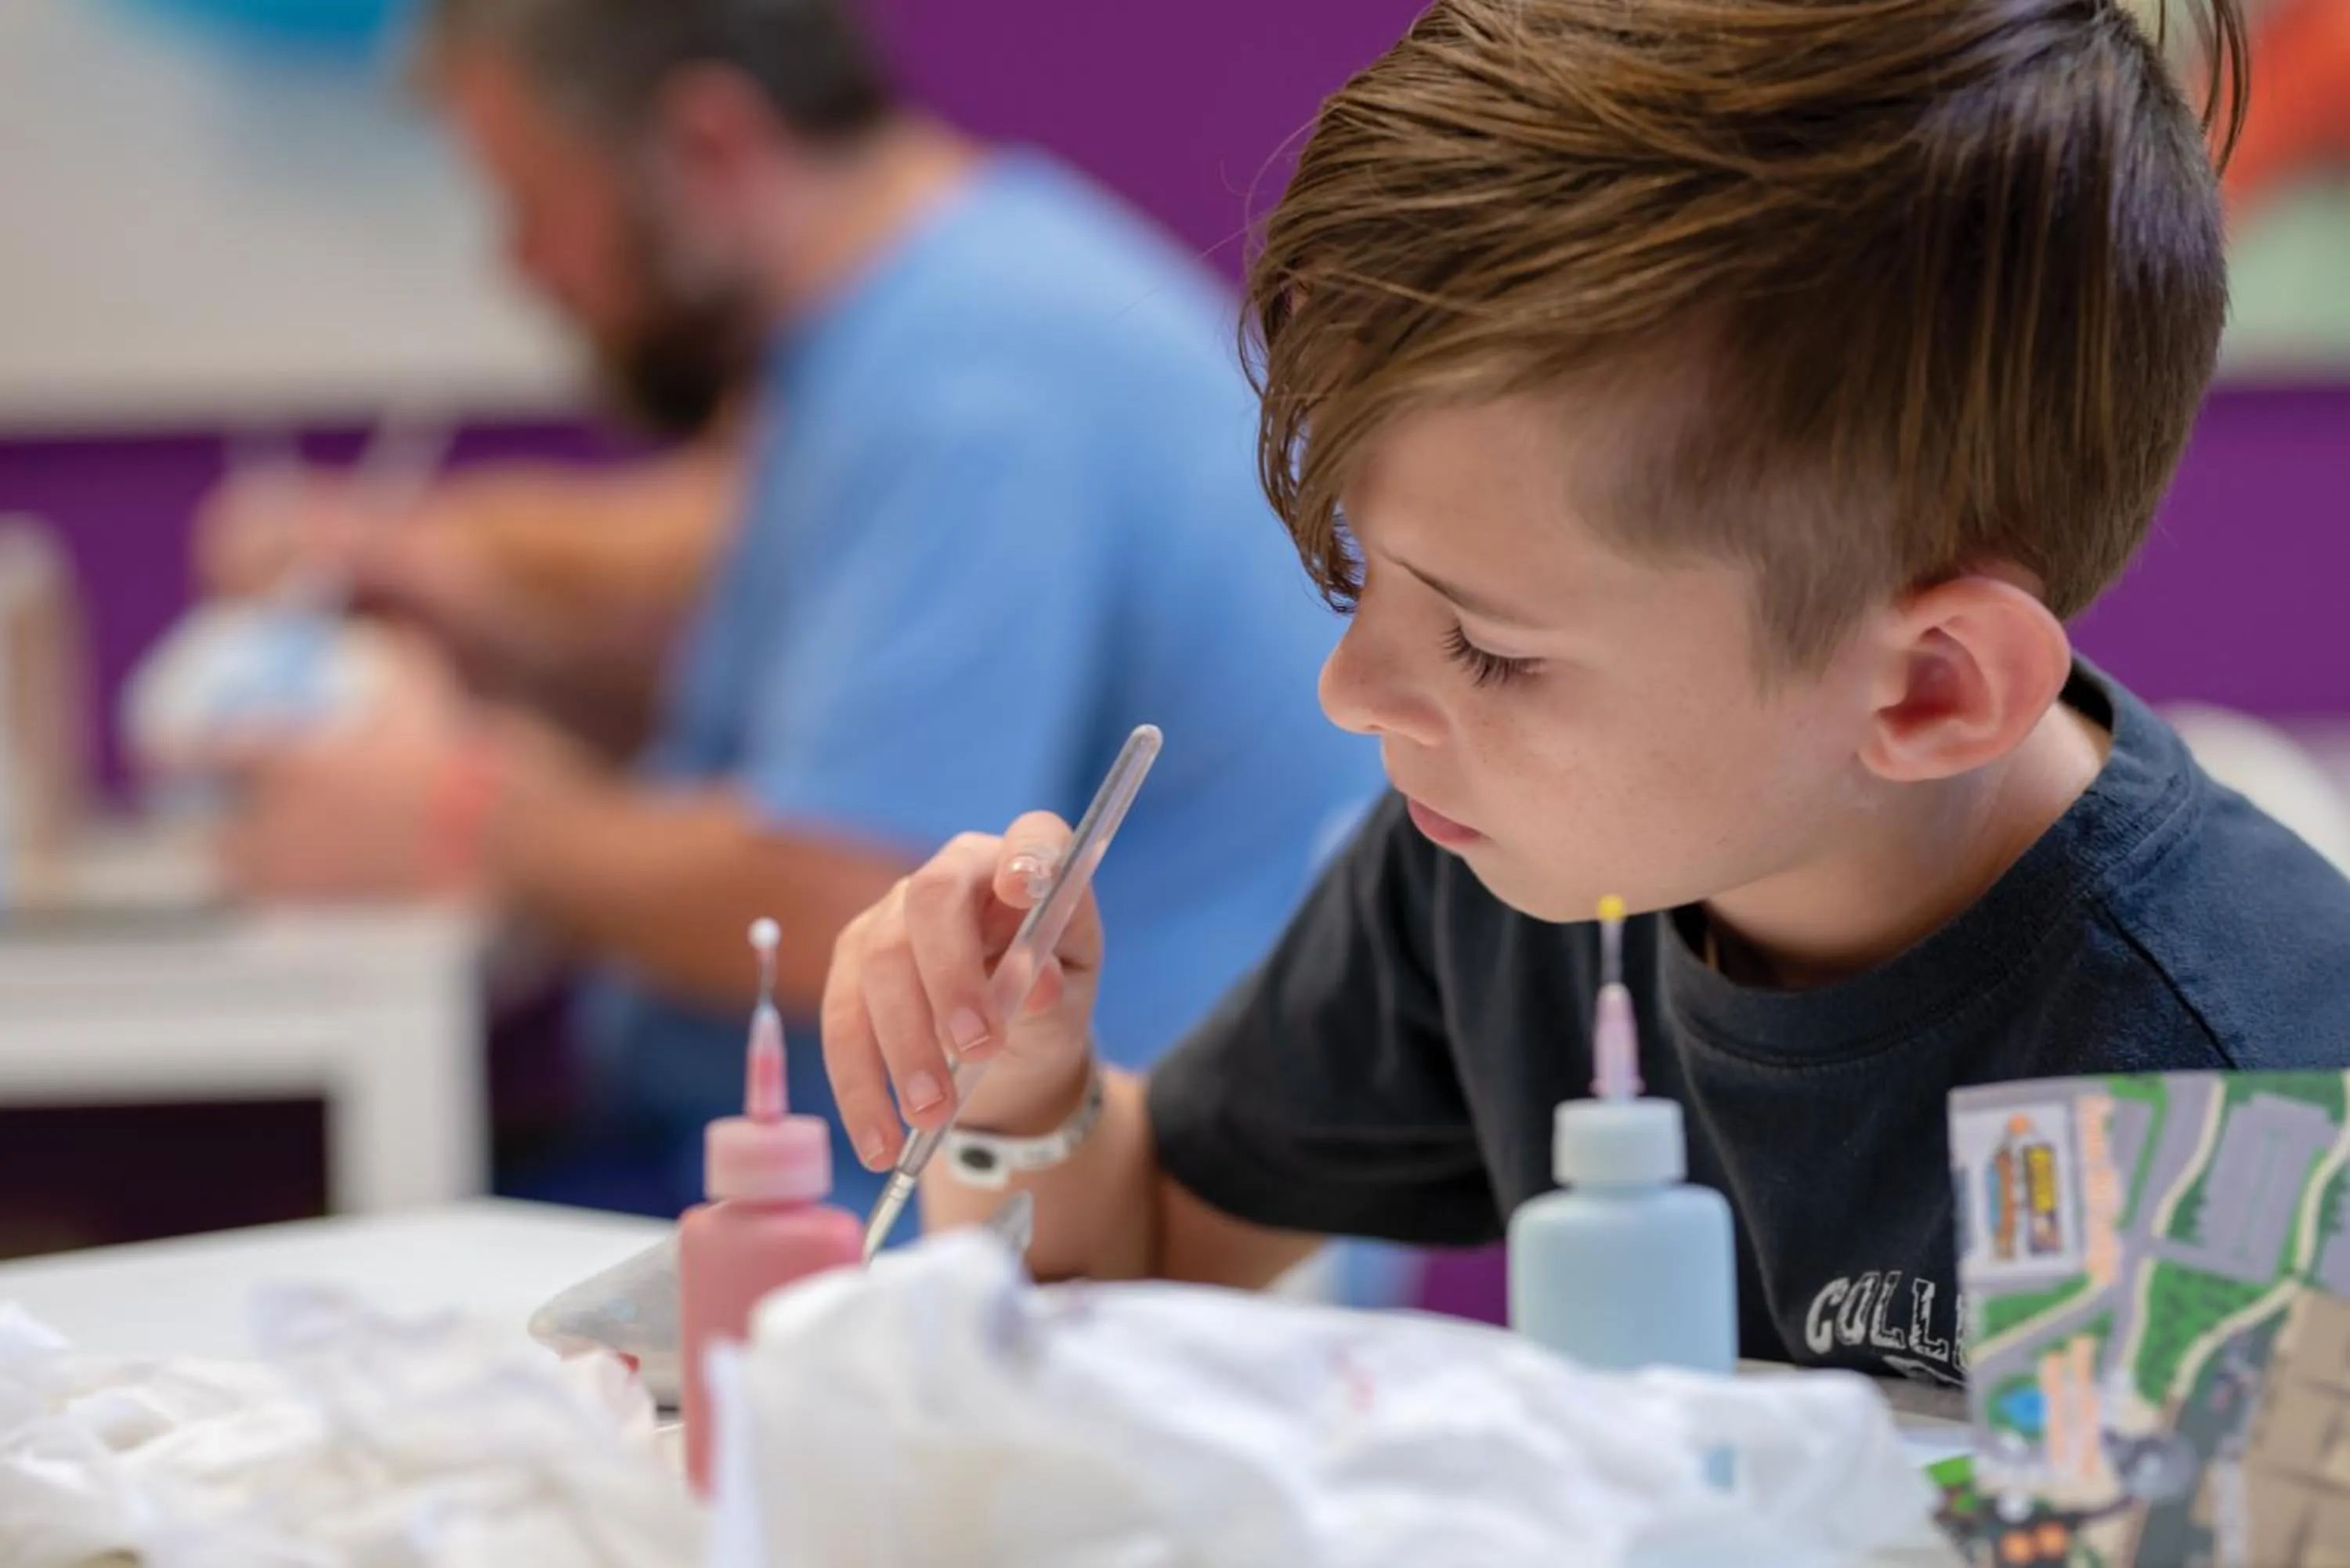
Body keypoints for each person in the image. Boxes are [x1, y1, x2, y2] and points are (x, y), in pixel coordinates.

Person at [816, 0, 2350, 1383]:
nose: (1354, 691)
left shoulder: (2231, 1104)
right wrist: (1027, 1087)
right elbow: (1135, 1251)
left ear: (1932, 689)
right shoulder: (1501, 872)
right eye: (1369, 576)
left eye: (1490, 646)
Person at [204, 0, 1377, 1221]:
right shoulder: (928, 312)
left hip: (1016, 1229)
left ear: (709, 144)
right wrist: (520, 665)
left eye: (538, 206)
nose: (523, 266)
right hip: (950, 1180)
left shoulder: (963, 385)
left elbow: (841, 884)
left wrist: (459, 816)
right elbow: (822, 744)